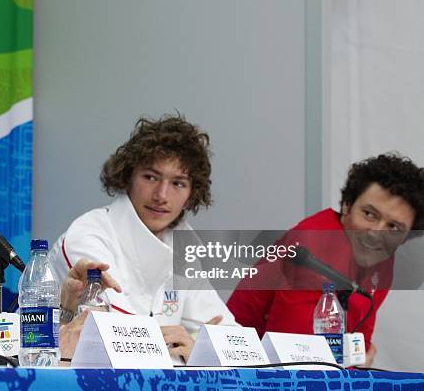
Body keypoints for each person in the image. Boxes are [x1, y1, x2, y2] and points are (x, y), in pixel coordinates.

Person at [48, 115, 236, 362]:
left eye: (178, 183)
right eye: (150, 177)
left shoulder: (183, 241)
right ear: (127, 176)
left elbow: (230, 335)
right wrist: (189, 342)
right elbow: (116, 335)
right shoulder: (87, 235)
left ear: (192, 194)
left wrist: (198, 348)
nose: (161, 195)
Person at [227, 153, 424, 366]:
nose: (376, 233)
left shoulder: (383, 255)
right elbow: (296, 355)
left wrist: (357, 354)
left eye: (394, 227)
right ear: (347, 205)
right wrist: (356, 355)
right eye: (369, 214)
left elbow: (361, 341)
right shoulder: (313, 243)